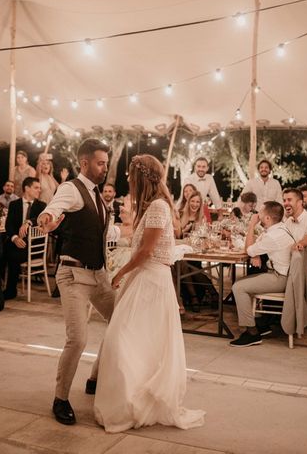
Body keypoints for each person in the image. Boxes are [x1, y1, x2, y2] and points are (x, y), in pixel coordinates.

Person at [94, 154, 205, 432]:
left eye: (132, 176)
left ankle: (135, 400)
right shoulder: (150, 206)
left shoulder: (157, 206)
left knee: (125, 338)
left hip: (151, 281)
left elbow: (146, 251)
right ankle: (132, 395)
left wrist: (120, 273)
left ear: (142, 178)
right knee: (134, 340)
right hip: (144, 278)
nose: (128, 181)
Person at [36, 139, 128, 426]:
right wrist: (47, 218)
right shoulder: (71, 189)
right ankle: (60, 398)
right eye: (100, 163)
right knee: (78, 339)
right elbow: (53, 208)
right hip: (74, 275)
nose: (104, 168)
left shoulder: (98, 195)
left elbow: (102, 232)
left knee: (121, 320)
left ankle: (94, 378)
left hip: (98, 274)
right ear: (85, 163)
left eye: (106, 163)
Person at [230, 202, 294, 347]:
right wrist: (255, 253)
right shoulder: (280, 228)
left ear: (267, 219)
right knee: (244, 281)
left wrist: (252, 225)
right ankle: (261, 325)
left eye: (260, 213)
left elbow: (249, 249)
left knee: (238, 287)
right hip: (283, 275)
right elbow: (256, 246)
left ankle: (252, 333)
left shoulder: (273, 236)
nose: (257, 215)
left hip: (280, 278)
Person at [3, 177, 46, 300]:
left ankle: (10, 290)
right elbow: (9, 225)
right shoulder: (14, 204)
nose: (39, 190)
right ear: (27, 188)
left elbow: (41, 219)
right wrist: (15, 238)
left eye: (39, 188)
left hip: (33, 247)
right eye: (36, 188)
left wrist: (28, 222)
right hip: (16, 242)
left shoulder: (41, 206)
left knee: (13, 256)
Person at [283, 188, 307, 269]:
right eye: (284, 200)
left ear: (300, 202)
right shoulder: (288, 221)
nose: (285, 203)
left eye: (289, 200)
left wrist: (300, 244)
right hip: (292, 265)